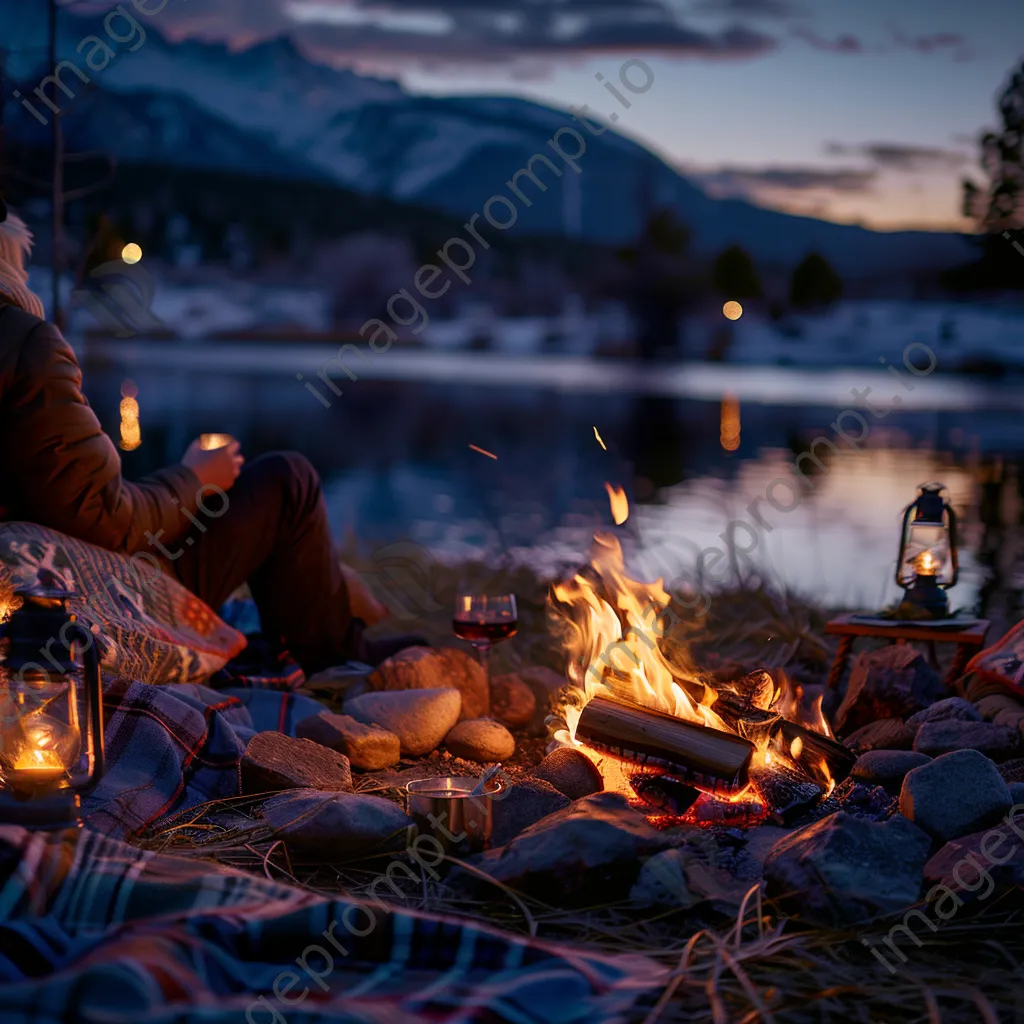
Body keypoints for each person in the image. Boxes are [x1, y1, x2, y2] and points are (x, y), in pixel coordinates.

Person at [0, 200, 417, 672]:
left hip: (42, 580)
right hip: (93, 593)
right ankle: (339, 660)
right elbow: (104, 519)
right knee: (287, 482)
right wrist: (196, 478)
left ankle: (329, 609)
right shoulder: (24, 341)